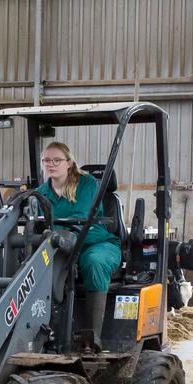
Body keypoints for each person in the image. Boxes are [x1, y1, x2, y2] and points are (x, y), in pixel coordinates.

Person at [35, 141, 122, 346]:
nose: (51, 164)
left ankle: (92, 337)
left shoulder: (87, 184)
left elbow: (81, 218)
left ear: (68, 163)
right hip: (58, 245)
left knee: (94, 263)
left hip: (95, 243)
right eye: (47, 160)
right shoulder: (39, 193)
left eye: (57, 160)